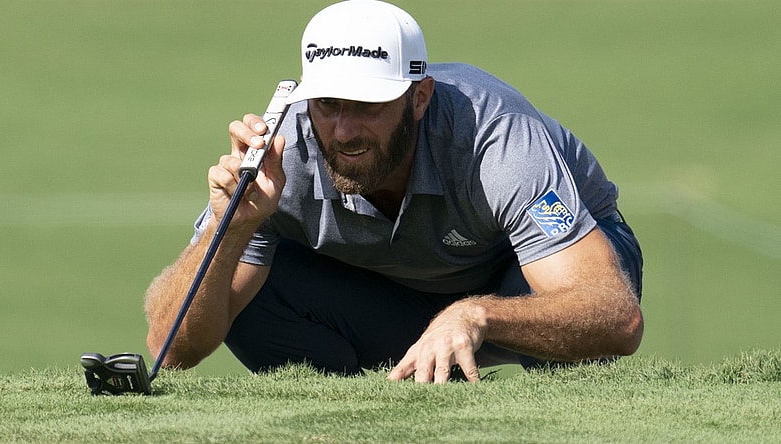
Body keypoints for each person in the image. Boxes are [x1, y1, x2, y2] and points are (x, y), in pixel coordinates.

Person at [144, 0, 644, 384]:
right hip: (401, 296)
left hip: (524, 282)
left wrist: (477, 314)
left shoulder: (495, 136)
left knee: (562, 330)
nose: (344, 131)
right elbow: (171, 350)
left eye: (368, 105)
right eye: (328, 104)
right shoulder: (282, 153)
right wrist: (231, 228)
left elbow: (615, 317)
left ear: (420, 97)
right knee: (245, 286)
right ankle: (360, 414)